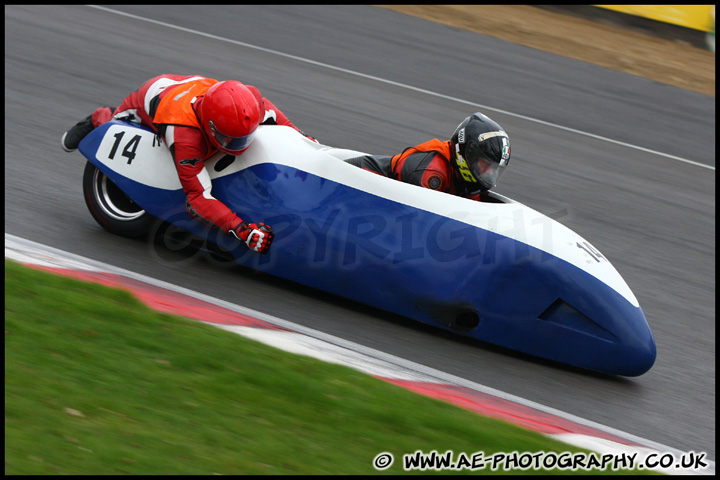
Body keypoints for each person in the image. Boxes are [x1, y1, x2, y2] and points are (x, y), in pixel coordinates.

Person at [61, 74, 317, 254]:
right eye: (229, 139)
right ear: (210, 127)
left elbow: (280, 122)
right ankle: (98, 117)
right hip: (152, 98)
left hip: (192, 89)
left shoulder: (250, 101)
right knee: (114, 123)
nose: (238, 145)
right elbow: (196, 199)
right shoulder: (184, 136)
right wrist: (242, 230)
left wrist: (305, 141)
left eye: (243, 138)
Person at [344, 112, 510, 201]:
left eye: (494, 169)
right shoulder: (432, 172)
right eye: (486, 165)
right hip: (352, 179)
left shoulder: (468, 181)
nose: (489, 174)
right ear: (467, 153)